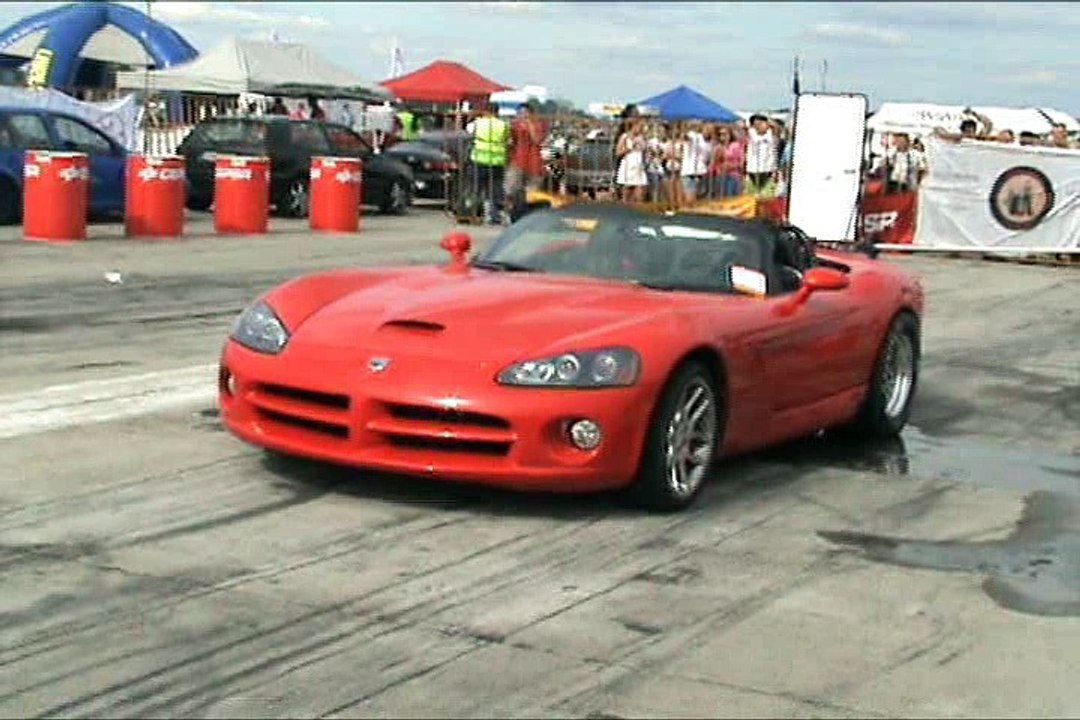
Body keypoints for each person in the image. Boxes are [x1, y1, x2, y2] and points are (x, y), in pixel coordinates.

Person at [504, 101, 546, 219]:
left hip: (534, 164)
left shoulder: (537, 124)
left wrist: (529, 125)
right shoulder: (515, 125)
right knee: (511, 189)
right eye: (519, 113)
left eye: (524, 113)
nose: (522, 116)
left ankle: (528, 216)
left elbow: (537, 140)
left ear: (530, 114)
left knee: (532, 193)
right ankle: (511, 212)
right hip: (517, 161)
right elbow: (509, 141)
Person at [467, 108, 510, 224]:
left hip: (479, 159)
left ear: (485, 111)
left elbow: (469, 133)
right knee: (494, 191)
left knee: (476, 189)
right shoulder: (504, 125)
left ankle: (472, 215)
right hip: (497, 161)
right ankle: (494, 217)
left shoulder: (476, 123)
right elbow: (507, 139)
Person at [744, 114, 778, 198]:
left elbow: (776, 127)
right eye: (756, 124)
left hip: (767, 170)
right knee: (752, 196)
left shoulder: (771, 134)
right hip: (752, 170)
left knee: (766, 196)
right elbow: (743, 127)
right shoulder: (751, 133)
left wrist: (767, 121)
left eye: (761, 124)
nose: (758, 126)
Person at [615, 118, 647, 203]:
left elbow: (644, 151)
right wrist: (628, 149)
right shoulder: (625, 137)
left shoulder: (641, 137)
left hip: (639, 166)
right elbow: (618, 152)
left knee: (640, 191)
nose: (640, 129)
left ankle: (638, 211)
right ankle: (626, 208)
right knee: (627, 191)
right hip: (628, 165)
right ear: (632, 126)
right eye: (639, 126)